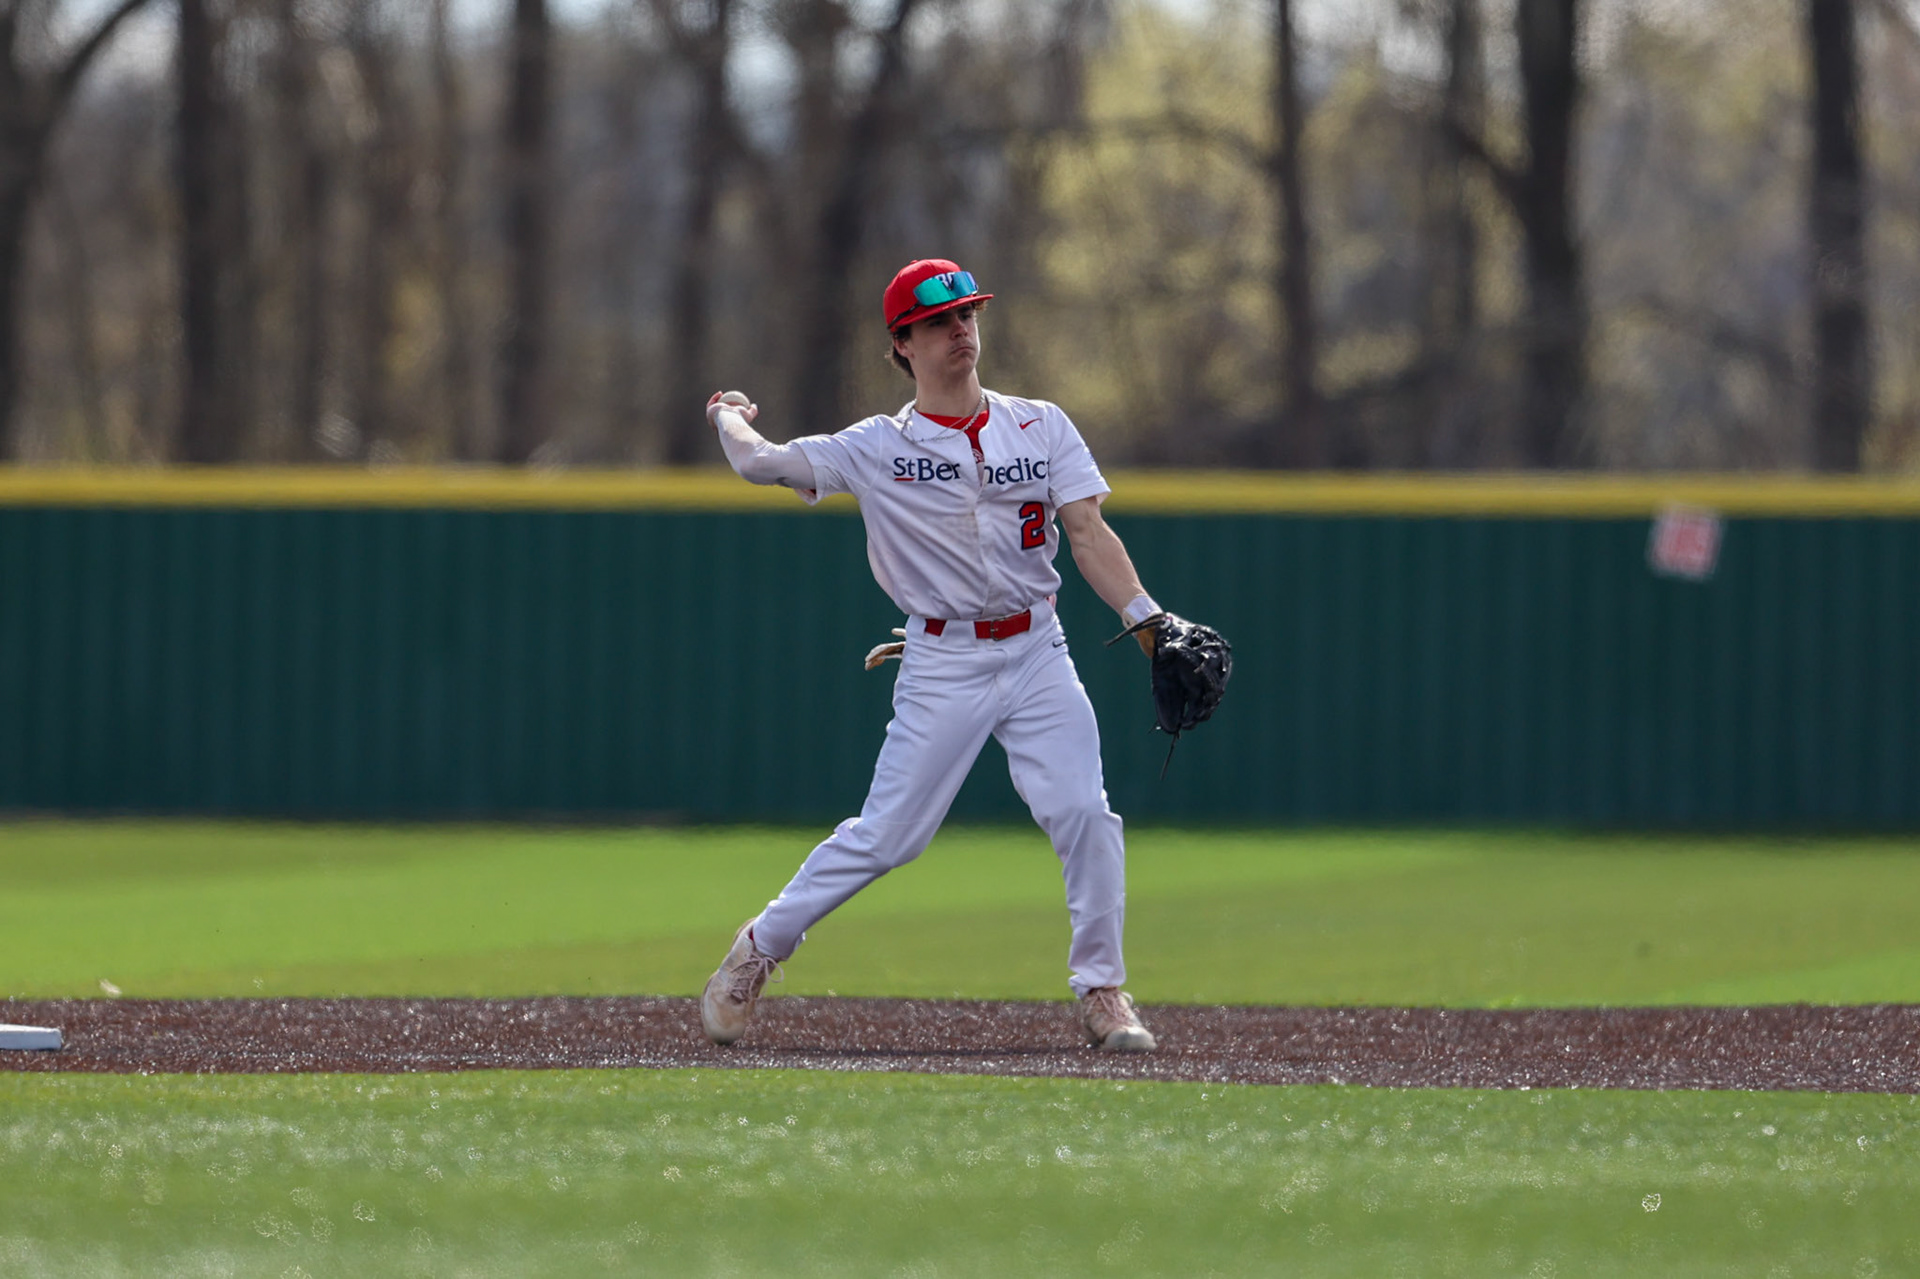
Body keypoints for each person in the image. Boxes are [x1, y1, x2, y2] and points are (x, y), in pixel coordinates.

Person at [699, 258, 1167, 1052]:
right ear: (903, 344)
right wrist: (725, 415)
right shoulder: (877, 446)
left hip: (1036, 647)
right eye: (940, 320)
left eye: (969, 315)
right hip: (943, 660)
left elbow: (1087, 532)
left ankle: (1103, 990)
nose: (961, 330)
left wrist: (1150, 620)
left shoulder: (1042, 424)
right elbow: (759, 461)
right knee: (890, 835)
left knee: (1085, 811)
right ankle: (759, 948)